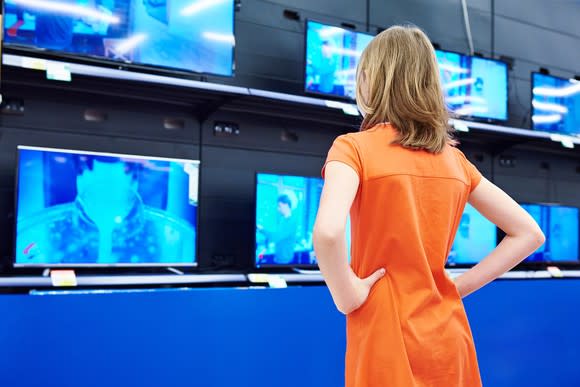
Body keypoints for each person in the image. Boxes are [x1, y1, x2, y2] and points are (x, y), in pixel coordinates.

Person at [313, 25, 545, 387]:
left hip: (383, 335)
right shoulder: (456, 161)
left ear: (371, 79)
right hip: (448, 335)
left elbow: (327, 233)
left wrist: (347, 296)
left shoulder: (352, 148)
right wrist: (456, 287)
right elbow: (529, 234)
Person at [257, 194, 298, 264]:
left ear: (286, 205)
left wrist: (261, 229)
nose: (278, 209)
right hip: (279, 257)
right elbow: (279, 236)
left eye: (279, 206)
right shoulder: (283, 219)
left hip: (285, 261)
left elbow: (275, 237)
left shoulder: (291, 222)